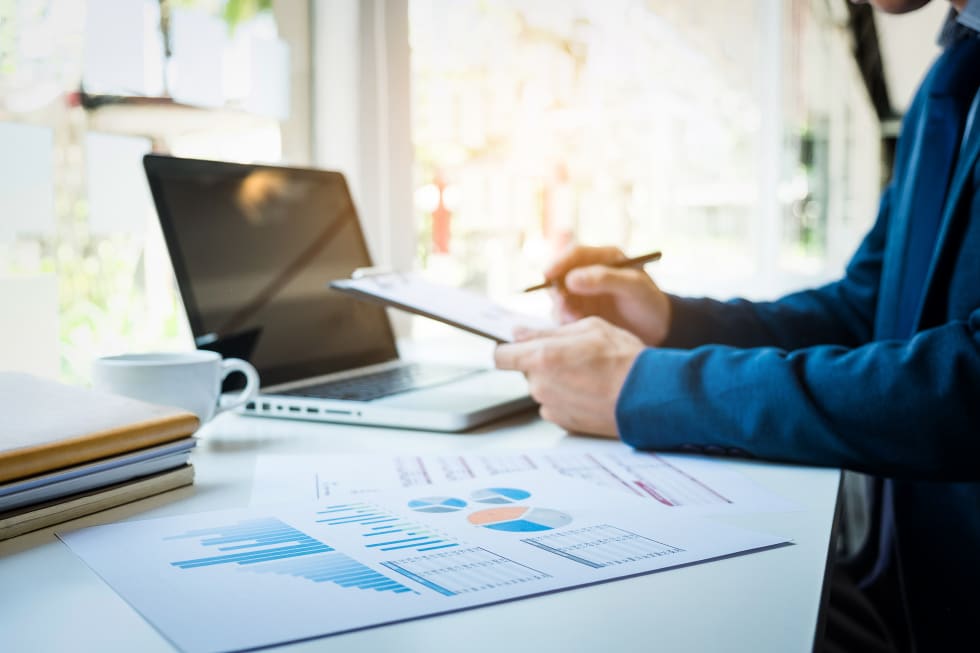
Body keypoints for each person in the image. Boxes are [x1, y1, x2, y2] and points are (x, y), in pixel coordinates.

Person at [494, 1, 980, 651]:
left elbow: (967, 385)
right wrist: (669, 320)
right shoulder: (950, 79)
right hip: (909, 594)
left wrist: (651, 389)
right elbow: (865, 312)